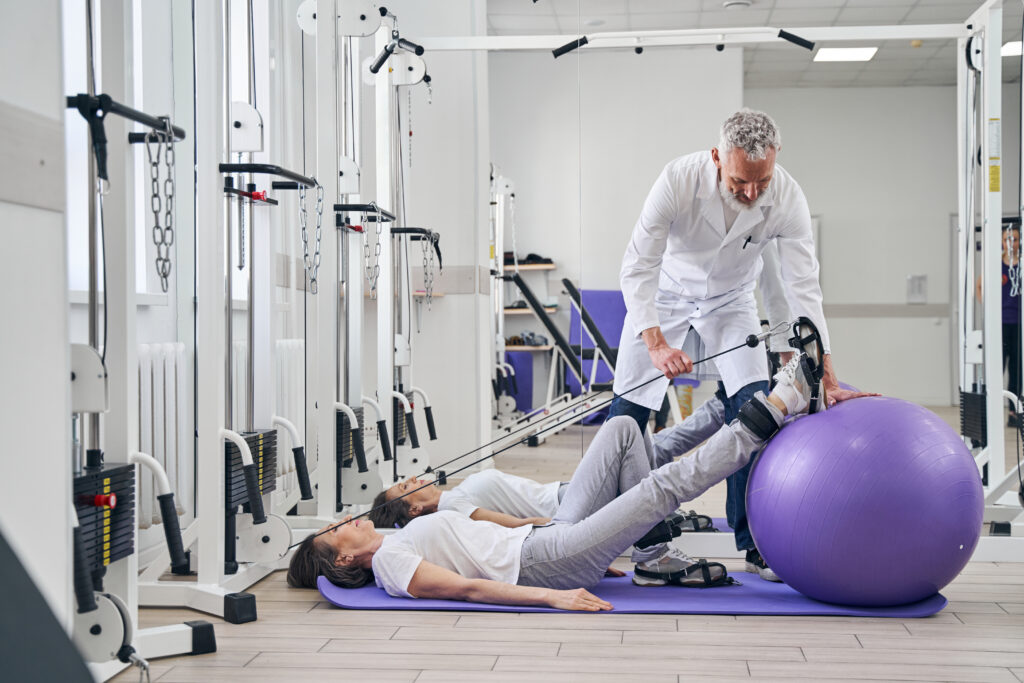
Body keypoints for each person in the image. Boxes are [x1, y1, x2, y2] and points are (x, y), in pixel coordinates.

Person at [286, 354, 818, 609]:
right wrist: (552, 599)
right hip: (546, 561)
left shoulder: (396, 540)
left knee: (622, 430)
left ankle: (651, 553)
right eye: (335, 532)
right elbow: (469, 590)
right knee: (659, 489)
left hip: (550, 536)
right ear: (344, 560)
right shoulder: (389, 564)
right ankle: (767, 411)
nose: (343, 522)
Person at [610, 108, 869, 581]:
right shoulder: (677, 179)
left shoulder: (787, 197)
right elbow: (637, 265)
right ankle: (629, 540)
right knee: (627, 415)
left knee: (752, 411)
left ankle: (755, 545)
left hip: (731, 302)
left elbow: (802, 287)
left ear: (776, 160)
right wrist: (655, 344)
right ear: (716, 158)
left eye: (761, 181)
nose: (751, 193)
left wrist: (825, 372)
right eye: (739, 182)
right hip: (664, 296)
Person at [977, 223, 1021, 426]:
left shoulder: (1021, 265)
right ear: (1002, 242)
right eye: (1007, 240)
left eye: (1015, 239)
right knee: (997, 368)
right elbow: (979, 286)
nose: (1011, 244)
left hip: (1019, 325)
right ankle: (992, 414)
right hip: (1000, 325)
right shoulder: (996, 264)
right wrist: (988, 309)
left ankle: (1014, 413)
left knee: (1017, 370)